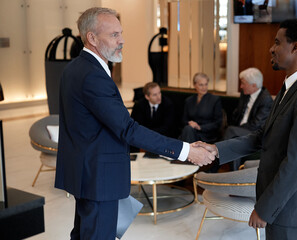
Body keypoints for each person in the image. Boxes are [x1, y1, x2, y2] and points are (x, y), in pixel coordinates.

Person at [54, 7, 215, 240]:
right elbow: (127, 129)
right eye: (114, 35)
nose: (122, 40)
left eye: (121, 33)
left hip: (86, 174)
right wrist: (187, 150)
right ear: (92, 38)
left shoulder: (75, 69)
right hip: (99, 179)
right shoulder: (92, 75)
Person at [196, 19, 297, 240]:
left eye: (277, 42)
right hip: (283, 206)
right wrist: (216, 149)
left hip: (292, 209)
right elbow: (263, 136)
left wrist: (265, 208)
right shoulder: (290, 87)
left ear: (295, 47)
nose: (271, 48)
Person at [224, 67, 273, 170]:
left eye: (243, 83)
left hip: (254, 133)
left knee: (230, 131)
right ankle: (234, 174)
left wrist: (237, 129)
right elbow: (237, 113)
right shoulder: (244, 94)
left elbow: (256, 125)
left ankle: (214, 166)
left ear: (254, 85)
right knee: (234, 140)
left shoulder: (266, 100)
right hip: (239, 131)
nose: (241, 86)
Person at [178, 72, 223, 143]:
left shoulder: (214, 99)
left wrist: (200, 127)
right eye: (201, 85)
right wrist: (190, 123)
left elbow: (217, 123)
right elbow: (184, 120)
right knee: (188, 129)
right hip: (191, 131)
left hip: (207, 134)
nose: (204, 87)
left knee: (187, 132)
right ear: (194, 85)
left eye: (206, 84)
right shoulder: (189, 100)